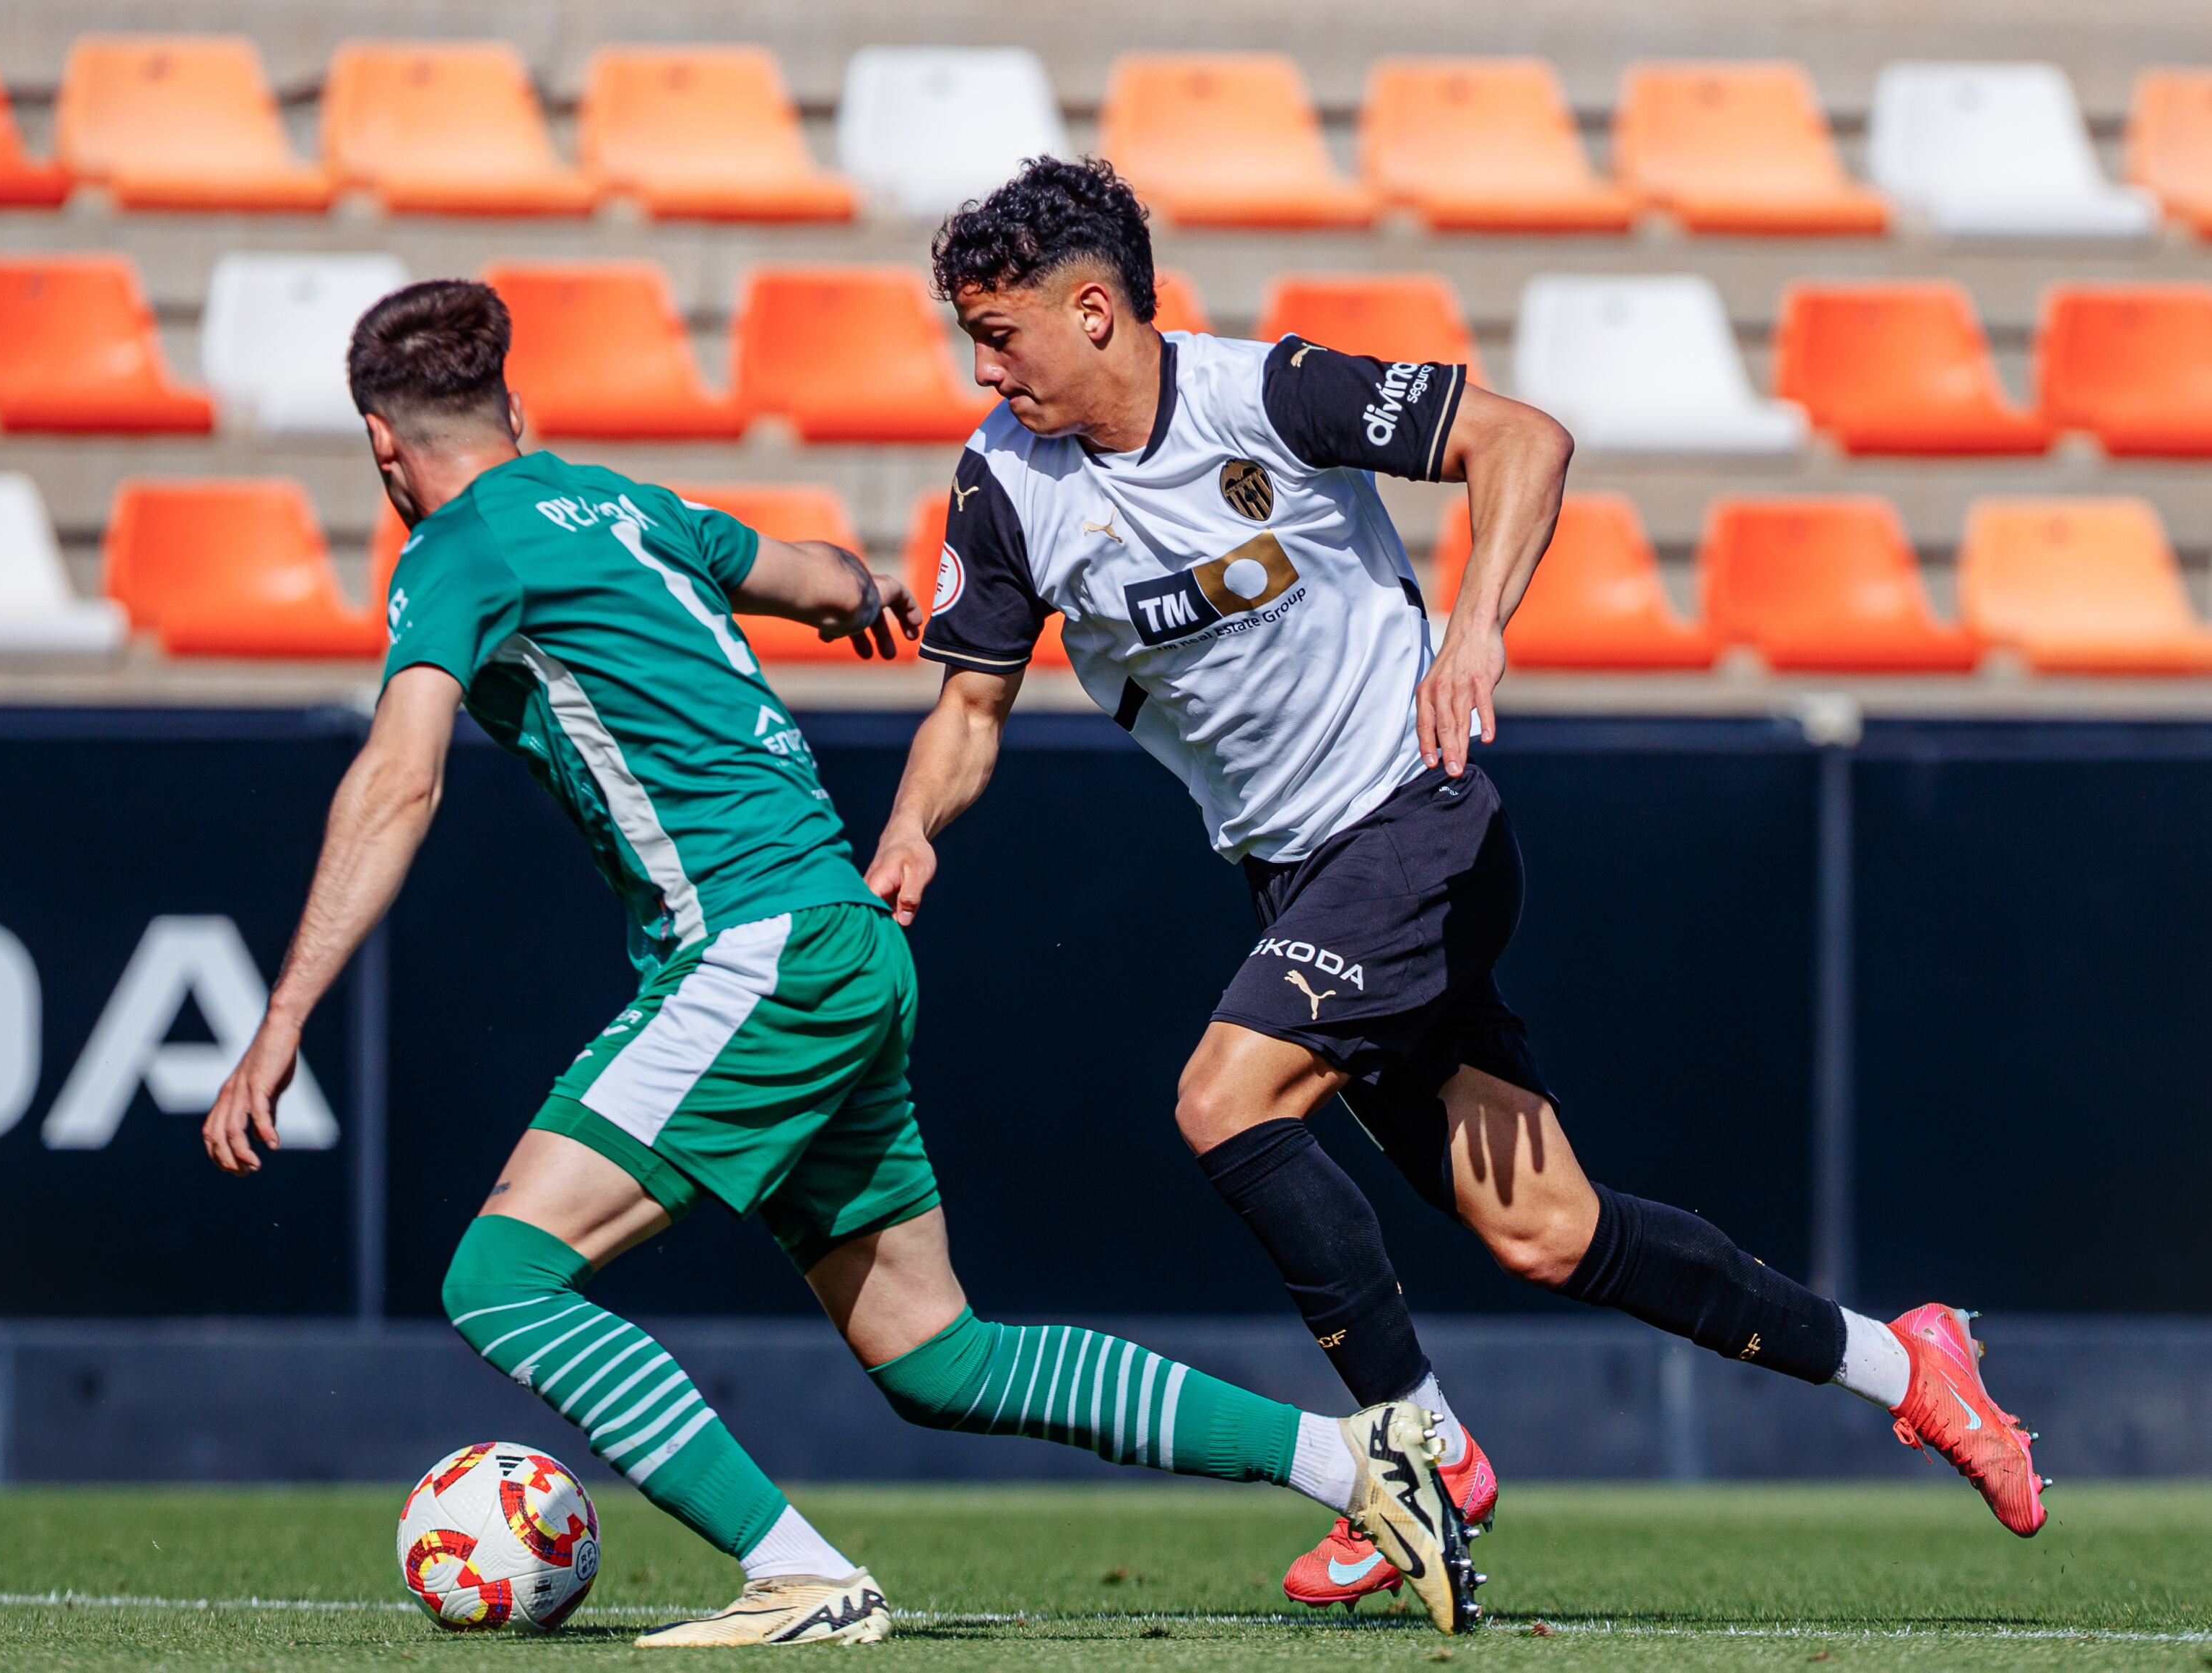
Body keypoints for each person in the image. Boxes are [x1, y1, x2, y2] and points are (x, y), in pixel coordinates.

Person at [198, 278, 1485, 1646]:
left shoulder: (454, 552)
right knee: (936, 1354)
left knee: (499, 1280)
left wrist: (283, 1021)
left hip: (752, 949)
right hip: (842, 946)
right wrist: (859, 594)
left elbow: (401, 782)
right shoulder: (620, 505)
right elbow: (805, 572)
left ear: (386, 453)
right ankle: (1361, 1465)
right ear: (515, 409)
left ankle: (799, 1572)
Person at [869, 157, 2048, 1611]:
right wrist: (914, 825)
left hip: (1415, 824)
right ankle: (1906, 1360)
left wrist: (1471, 627)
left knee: (1220, 1099)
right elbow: (967, 710)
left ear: (1095, 311)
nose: (983, 366)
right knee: (1546, 1228)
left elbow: (1520, 439)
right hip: (1294, 882)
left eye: (1000, 331)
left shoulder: (1266, 395)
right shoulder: (1004, 483)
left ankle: (1410, 1453)